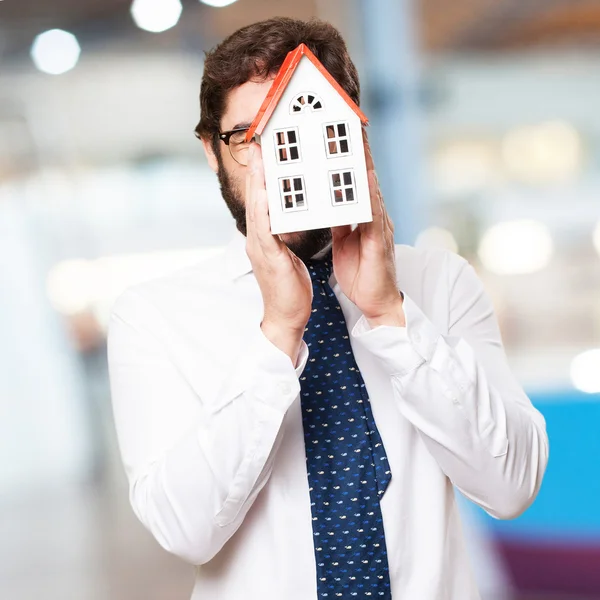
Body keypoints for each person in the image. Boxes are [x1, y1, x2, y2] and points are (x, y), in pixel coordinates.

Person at [107, 17, 548, 600]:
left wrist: (392, 316)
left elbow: (511, 485)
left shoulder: (439, 282)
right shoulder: (154, 316)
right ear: (214, 152)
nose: (276, 167)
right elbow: (185, 530)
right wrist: (278, 335)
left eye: (297, 132)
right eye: (247, 139)